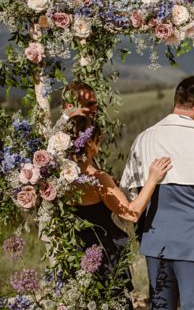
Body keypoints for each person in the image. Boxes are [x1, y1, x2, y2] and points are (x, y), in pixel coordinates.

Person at [131, 76, 194, 310]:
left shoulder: (144, 137)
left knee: (160, 306)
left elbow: (134, 193)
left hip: (155, 240)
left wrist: (144, 235)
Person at [67, 114, 172, 308]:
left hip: (75, 254)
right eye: (98, 141)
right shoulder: (97, 178)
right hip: (103, 256)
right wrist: (152, 179)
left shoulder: (60, 179)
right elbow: (131, 213)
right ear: (89, 141)